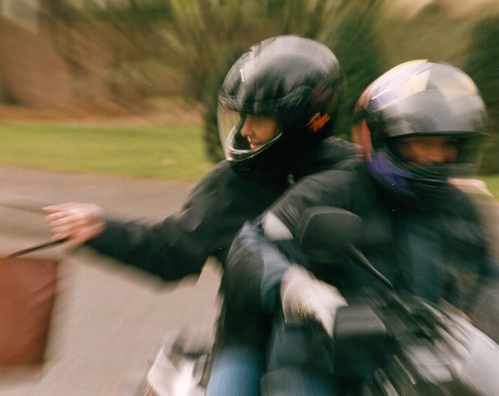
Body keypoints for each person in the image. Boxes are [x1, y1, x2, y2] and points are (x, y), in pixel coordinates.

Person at [44, 35, 358, 395]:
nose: (245, 130)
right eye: (241, 116)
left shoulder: (352, 175)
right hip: (249, 341)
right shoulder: (229, 186)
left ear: (304, 120)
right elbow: (170, 251)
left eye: (259, 118)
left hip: (345, 341)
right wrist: (100, 230)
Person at [224, 59, 499, 394]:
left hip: (414, 366)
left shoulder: (457, 206)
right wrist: (298, 288)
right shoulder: (334, 190)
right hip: (321, 364)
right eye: (421, 143)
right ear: (384, 138)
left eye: (447, 145)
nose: (435, 157)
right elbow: (250, 246)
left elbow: (485, 276)